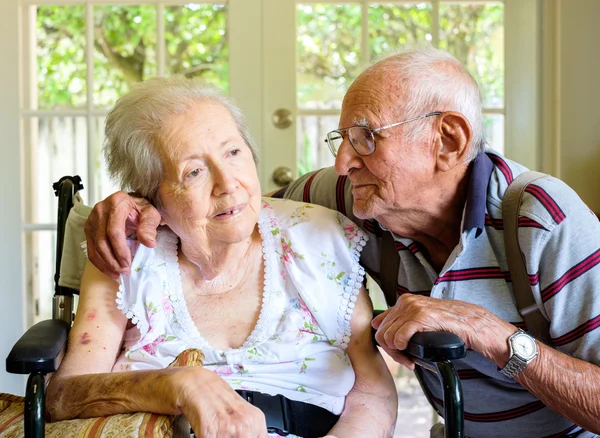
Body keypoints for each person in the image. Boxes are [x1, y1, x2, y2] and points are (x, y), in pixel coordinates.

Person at [84, 47, 600, 437]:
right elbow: (232, 205)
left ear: (448, 141)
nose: (343, 163)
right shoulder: (348, 195)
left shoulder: (542, 221)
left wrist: (491, 332)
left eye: (366, 137)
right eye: (342, 139)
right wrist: (137, 202)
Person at [46, 76, 398, 438]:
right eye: (194, 171)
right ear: (153, 195)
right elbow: (62, 397)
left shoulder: (318, 240)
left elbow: (372, 391)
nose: (228, 183)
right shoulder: (127, 254)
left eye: (233, 153)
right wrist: (176, 385)